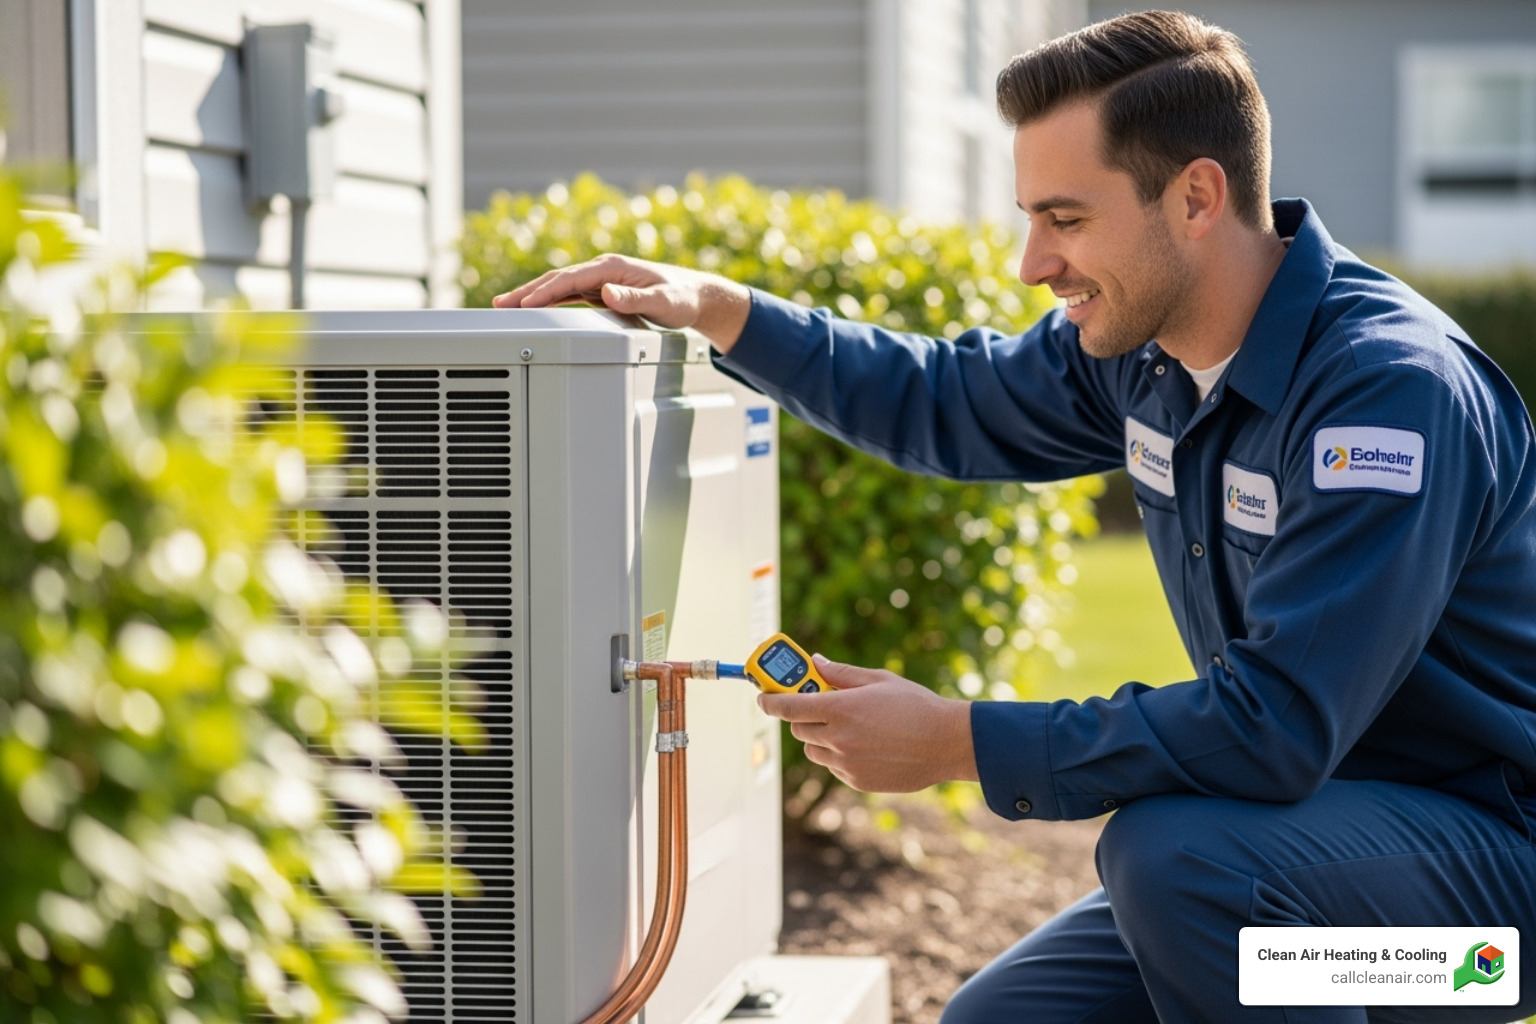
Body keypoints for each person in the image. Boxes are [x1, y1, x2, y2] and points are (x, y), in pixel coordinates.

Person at [495, 11, 1536, 1022]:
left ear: (1198, 197)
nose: (1034, 265)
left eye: (1066, 218)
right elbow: (946, 402)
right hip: (1298, 859)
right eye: (1032, 218)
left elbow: (1276, 730)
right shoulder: (1143, 353)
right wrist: (729, 311)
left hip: (1475, 934)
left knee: (1171, 860)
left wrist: (960, 742)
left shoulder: (1387, 393)